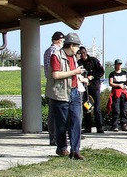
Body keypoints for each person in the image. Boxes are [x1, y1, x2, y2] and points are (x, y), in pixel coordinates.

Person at [47, 32, 86, 160]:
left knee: (76, 121)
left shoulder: (73, 57)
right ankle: (62, 148)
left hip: (75, 92)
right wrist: (75, 72)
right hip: (61, 93)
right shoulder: (56, 56)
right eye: (77, 47)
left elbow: (72, 74)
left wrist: (80, 77)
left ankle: (75, 150)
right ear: (71, 45)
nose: (78, 49)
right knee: (62, 123)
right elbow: (56, 75)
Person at [44, 31, 65, 146]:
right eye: (62, 40)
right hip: (56, 82)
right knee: (56, 112)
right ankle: (55, 138)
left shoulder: (47, 51)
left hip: (50, 82)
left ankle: (53, 137)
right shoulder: (55, 51)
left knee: (52, 112)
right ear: (58, 40)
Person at [77, 46, 105, 134]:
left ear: (86, 52)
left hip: (95, 86)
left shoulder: (93, 60)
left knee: (97, 107)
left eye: (83, 53)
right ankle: (87, 127)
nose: (82, 55)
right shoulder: (79, 62)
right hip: (84, 87)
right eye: (80, 54)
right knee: (86, 107)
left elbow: (101, 72)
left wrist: (92, 76)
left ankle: (99, 127)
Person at [107, 59, 127, 132]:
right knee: (116, 109)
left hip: (124, 92)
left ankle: (124, 124)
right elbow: (111, 83)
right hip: (116, 92)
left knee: (124, 109)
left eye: (120, 64)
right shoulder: (112, 74)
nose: (119, 66)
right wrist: (118, 85)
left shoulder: (124, 73)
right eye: (118, 64)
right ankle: (115, 125)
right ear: (115, 65)